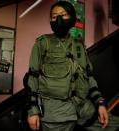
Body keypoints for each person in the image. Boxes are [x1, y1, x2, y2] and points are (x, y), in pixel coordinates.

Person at [24, 1, 109, 131]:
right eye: (53, 16)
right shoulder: (42, 43)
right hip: (56, 113)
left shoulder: (79, 45)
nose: (58, 19)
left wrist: (100, 103)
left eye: (63, 15)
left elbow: (89, 76)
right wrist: (33, 111)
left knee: (111, 125)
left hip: (83, 106)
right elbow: (32, 78)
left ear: (72, 18)